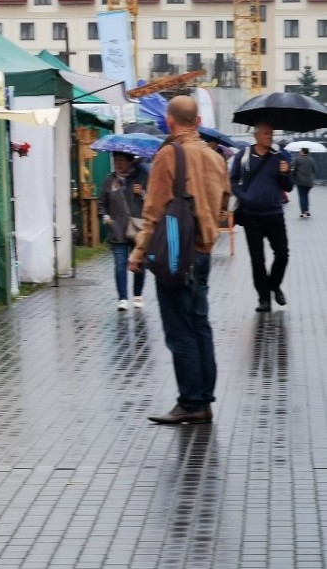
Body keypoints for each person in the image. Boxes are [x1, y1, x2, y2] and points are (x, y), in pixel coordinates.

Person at [128, 96, 230, 425]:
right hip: (202, 253)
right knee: (200, 324)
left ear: (169, 122)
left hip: (176, 253)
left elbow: (154, 211)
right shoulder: (215, 158)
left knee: (178, 329)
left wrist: (139, 253)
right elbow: (226, 205)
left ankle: (190, 402)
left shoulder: (168, 155)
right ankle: (203, 398)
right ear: (198, 122)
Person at [229, 122, 293, 312]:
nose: (269, 136)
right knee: (257, 260)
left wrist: (285, 173)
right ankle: (264, 298)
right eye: (266, 133)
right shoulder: (244, 156)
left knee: (282, 254)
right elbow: (232, 180)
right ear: (256, 135)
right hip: (251, 216)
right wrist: (244, 198)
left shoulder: (279, 157)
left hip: (274, 214)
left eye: (271, 133)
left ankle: (274, 285)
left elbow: (288, 187)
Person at [99, 152, 148, 310]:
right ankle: (122, 298)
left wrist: (142, 193)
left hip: (137, 227)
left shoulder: (141, 176)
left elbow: (154, 200)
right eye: (116, 160)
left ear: (130, 161)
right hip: (117, 228)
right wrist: (106, 218)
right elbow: (102, 203)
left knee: (139, 262)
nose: (118, 163)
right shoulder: (110, 180)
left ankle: (138, 295)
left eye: (121, 160)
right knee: (120, 263)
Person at [291, 147, 317, 218]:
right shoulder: (311, 160)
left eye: (300, 151)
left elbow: (291, 165)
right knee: (306, 196)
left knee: (302, 196)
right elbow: (315, 170)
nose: (299, 152)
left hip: (300, 181)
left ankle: (303, 212)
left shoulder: (297, 159)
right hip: (309, 182)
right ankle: (307, 211)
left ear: (302, 152)